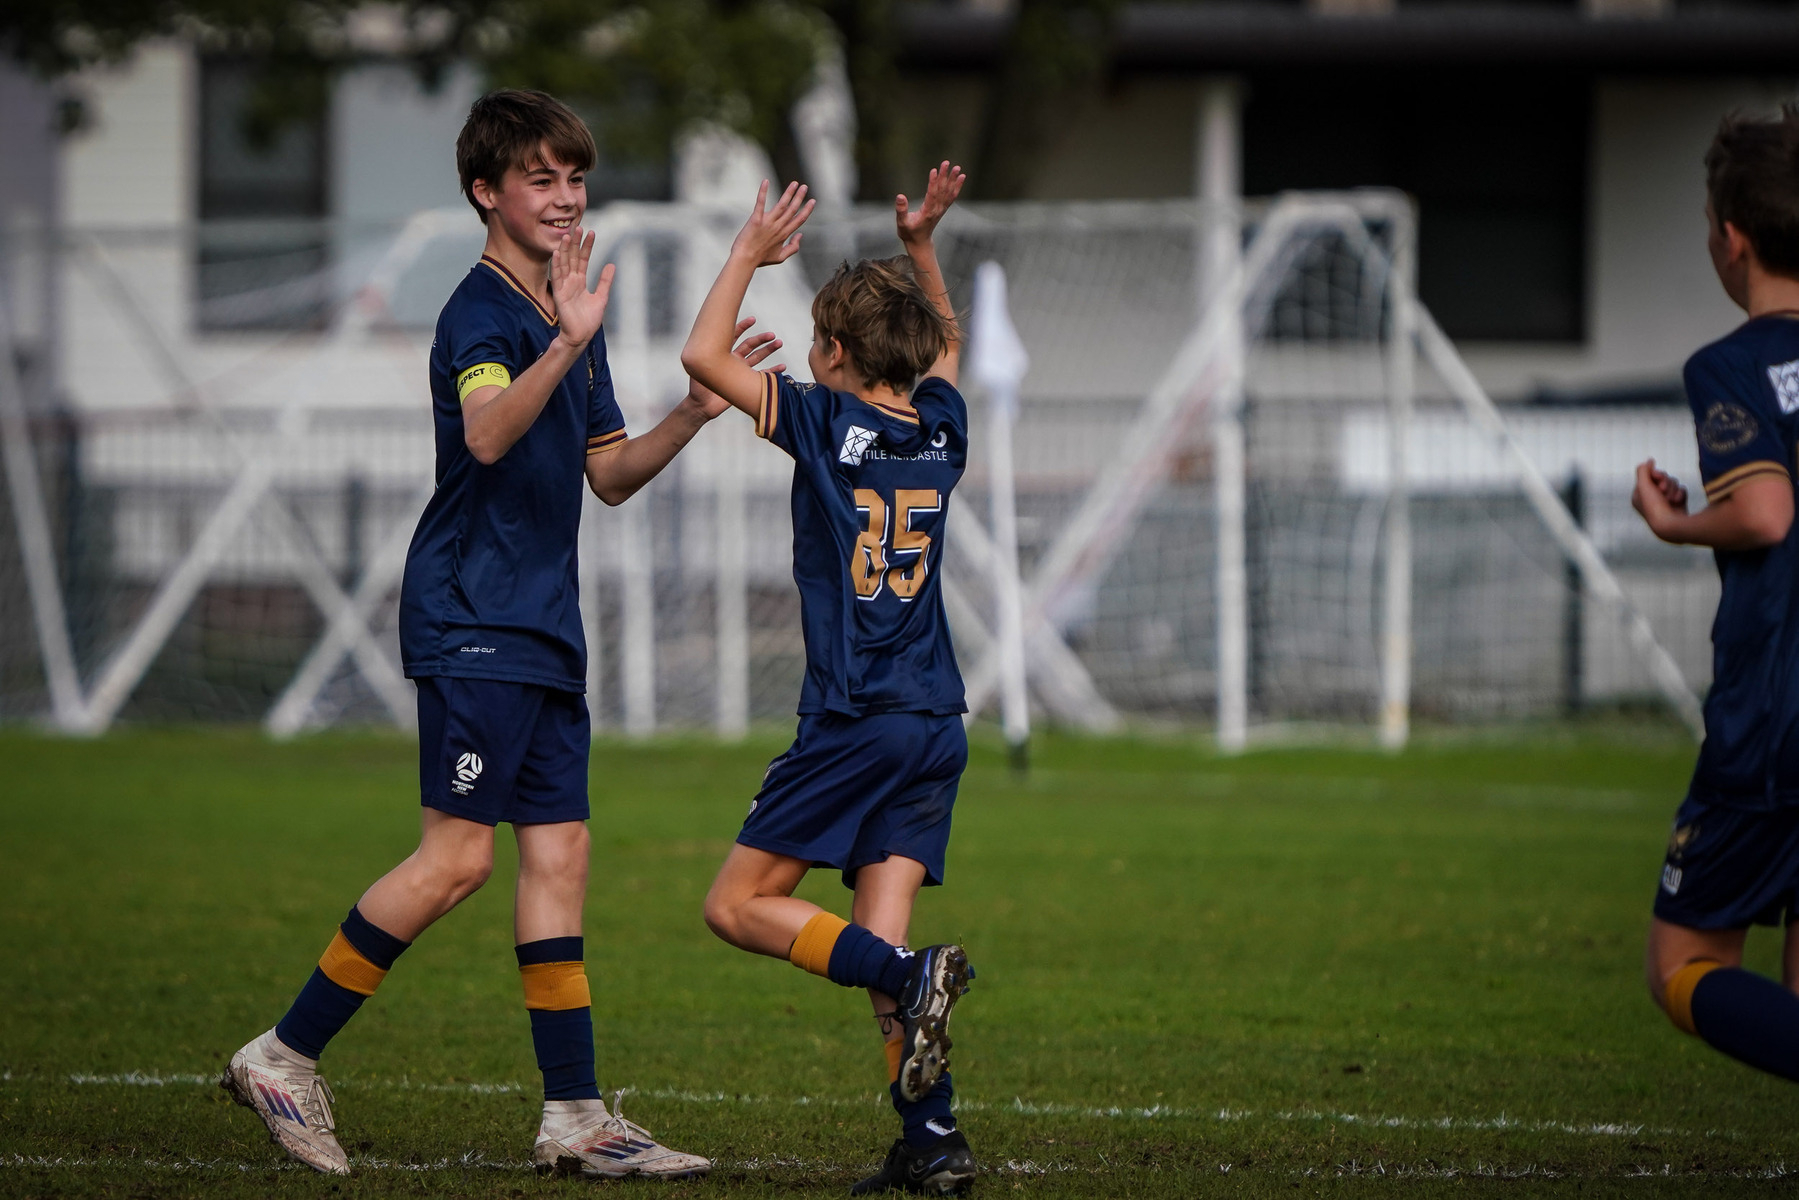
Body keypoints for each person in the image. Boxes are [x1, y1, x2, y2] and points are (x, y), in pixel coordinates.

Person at [220, 89, 773, 1179]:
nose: (565, 199)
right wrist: (565, 345)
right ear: (487, 191)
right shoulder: (481, 313)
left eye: (576, 179)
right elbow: (484, 434)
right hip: (473, 616)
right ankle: (282, 1054)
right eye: (541, 179)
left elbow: (606, 475)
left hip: (542, 627)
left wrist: (688, 417)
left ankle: (574, 1116)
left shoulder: (569, 307)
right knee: (456, 861)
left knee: (559, 856)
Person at [681, 164, 980, 1195]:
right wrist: (924, 249)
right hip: (938, 721)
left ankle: (909, 977)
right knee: (876, 929)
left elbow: (701, 355)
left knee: (735, 906)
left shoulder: (822, 424)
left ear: (833, 354)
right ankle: (932, 1141)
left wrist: (743, 255)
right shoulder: (940, 433)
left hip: (857, 719)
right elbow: (942, 349)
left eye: (816, 340)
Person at [1635, 104, 1799, 1084]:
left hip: (1772, 717)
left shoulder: (1728, 365)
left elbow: (1765, 514)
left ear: (1728, 239)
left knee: (1682, 962)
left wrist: (1677, 523)